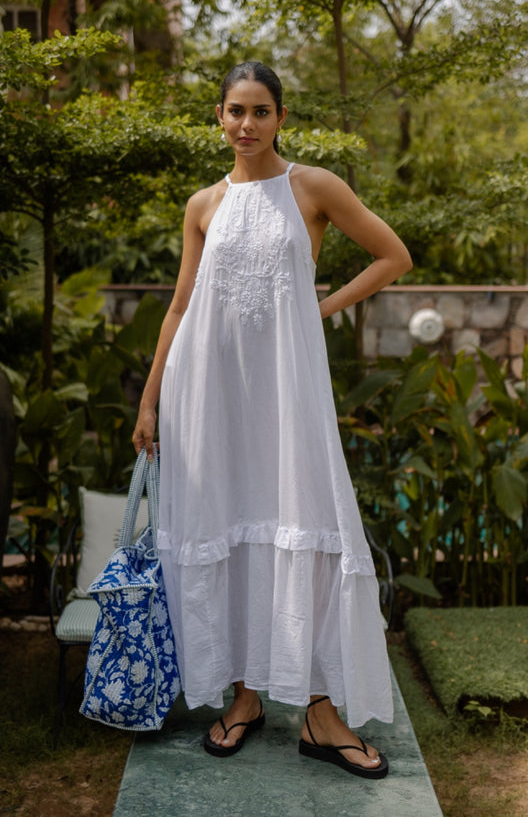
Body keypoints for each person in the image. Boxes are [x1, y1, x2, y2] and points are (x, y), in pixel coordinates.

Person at [132, 61, 412, 779]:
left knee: (306, 519)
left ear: (281, 117)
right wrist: (151, 396)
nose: (247, 124)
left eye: (261, 110)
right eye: (235, 111)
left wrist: (314, 310)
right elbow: (179, 304)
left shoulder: (311, 187)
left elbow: (392, 256)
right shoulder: (203, 203)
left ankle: (320, 712)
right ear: (219, 119)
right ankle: (247, 696)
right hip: (210, 391)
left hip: (287, 390)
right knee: (231, 520)